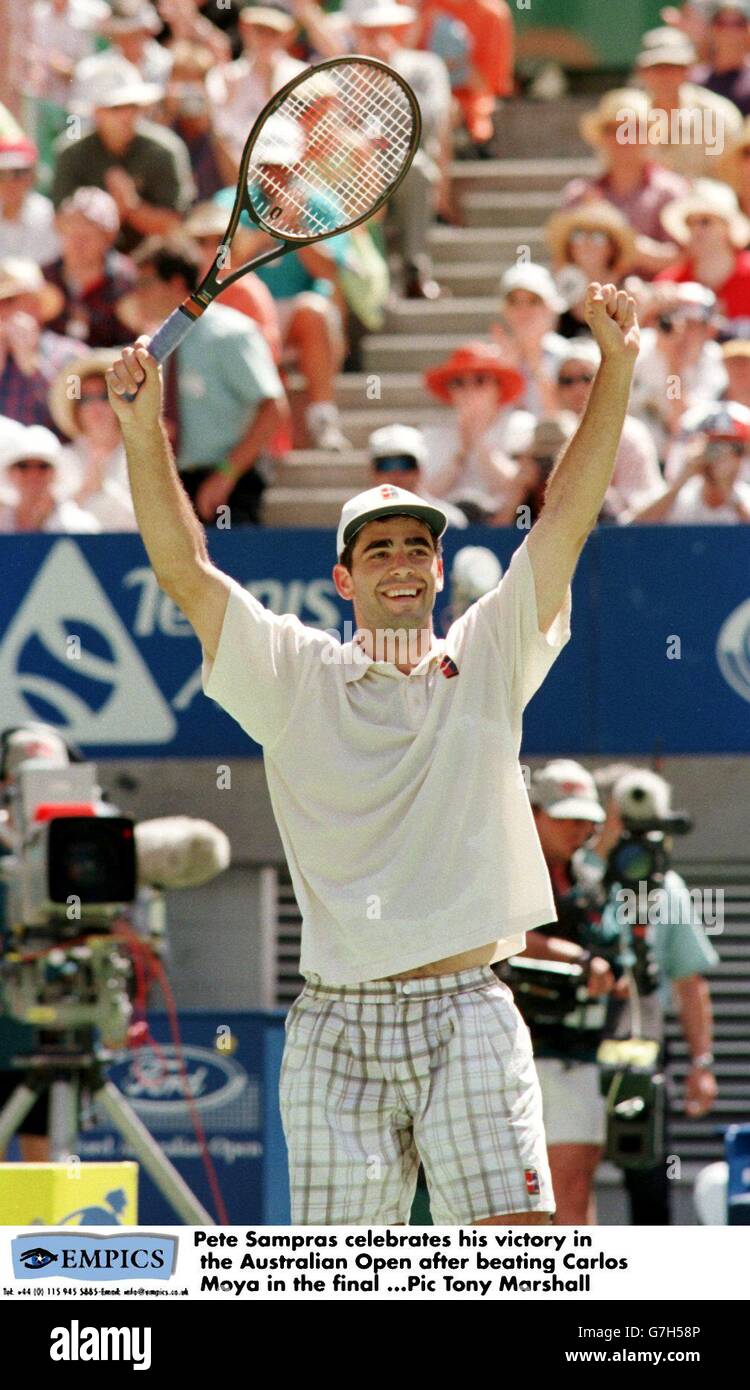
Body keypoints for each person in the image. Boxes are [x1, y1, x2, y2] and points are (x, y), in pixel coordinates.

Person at [106, 278, 643, 1225]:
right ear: (343, 577)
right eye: (380, 546)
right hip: (334, 1022)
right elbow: (184, 569)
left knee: (514, 1267)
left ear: (439, 569)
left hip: (470, 1007)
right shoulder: (293, 672)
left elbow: (566, 518)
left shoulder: (488, 652)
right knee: (340, 1287)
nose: (402, 557)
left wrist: (620, 364)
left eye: (417, 546)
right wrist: (143, 427)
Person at [590, 763, 719, 1226]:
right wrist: (600, 853)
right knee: (565, 1173)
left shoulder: (671, 889)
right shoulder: (578, 879)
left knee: (649, 1179)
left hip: (644, 1048)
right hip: (576, 1045)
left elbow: (689, 982)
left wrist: (700, 1065)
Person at [126, 233, 287, 523]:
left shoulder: (229, 333)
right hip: (177, 486)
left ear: (175, 283)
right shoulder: (154, 343)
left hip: (232, 486)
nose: (137, 293)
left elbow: (273, 409)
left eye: (145, 283)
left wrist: (226, 475)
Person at [51, 54, 195, 255]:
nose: (127, 116)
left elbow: (175, 226)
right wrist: (110, 213)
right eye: (116, 108)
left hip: (155, 265)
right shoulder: (71, 153)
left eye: (133, 106)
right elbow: (62, 223)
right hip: (91, 262)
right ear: (95, 111)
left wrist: (132, 206)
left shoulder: (165, 150)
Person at [563, 88, 690, 272]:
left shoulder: (671, 190)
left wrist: (629, 246)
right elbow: (562, 260)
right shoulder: (578, 193)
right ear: (602, 137)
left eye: (631, 129)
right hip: (594, 297)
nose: (622, 138)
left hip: (658, 295)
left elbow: (687, 257)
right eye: (612, 130)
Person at [555, 341, 664, 521]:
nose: (577, 388)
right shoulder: (555, 433)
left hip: (626, 538)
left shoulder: (629, 433)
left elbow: (640, 509)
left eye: (586, 378)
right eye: (567, 381)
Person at [420, 341, 529, 521]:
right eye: (458, 382)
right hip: (448, 528)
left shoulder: (521, 426)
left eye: (480, 380)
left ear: (498, 387)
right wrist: (461, 454)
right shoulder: (432, 434)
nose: (469, 390)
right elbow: (424, 495)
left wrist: (478, 441)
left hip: (506, 528)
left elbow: (513, 487)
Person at [629, 282, 727, 459]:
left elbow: (681, 425)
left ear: (709, 330)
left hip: (677, 459)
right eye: (677, 321)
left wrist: (673, 364)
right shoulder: (640, 347)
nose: (682, 331)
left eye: (692, 325)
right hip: (630, 454)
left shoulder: (714, 362)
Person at [634, 26, 742, 178]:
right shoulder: (629, 115)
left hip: (706, 200)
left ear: (688, 70)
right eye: (657, 68)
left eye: (674, 67)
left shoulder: (719, 114)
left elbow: (735, 177)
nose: (665, 75)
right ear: (642, 72)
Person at [205, 6, 306, 168]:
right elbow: (220, 133)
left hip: (287, 169)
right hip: (234, 169)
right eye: (259, 31)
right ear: (245, 30)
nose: (265, 39)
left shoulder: (302, 75)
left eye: (273, 33)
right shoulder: (223, 76)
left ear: (287, 36)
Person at [48, 349, 138, 529]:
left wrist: (103, 488)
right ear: (76, 409)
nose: (96, 407)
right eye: (86, 399)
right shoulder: (62, 458)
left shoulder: (141, 456)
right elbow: (53, 522)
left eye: (105, 397)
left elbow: (146, 521)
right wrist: (87, 488)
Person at [42, 187, 136, 348]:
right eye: (70, 233)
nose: (77, 244)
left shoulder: (125, 280)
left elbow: (132, 340)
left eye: (87, 237)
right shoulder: (46, 278)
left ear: (108, 237)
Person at [627, 398, 750, 519]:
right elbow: (628, 531)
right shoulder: (678, 498)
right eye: (713, 445)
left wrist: (728, 493)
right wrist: (682, 479)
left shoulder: (745, 499)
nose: (722, 454)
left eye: (735, 448)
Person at [418, 0, 514, 154]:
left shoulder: (493, 12)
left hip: (472, 115)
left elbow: (490, 86)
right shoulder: (418, 9)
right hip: (423, 110)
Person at [0, 257, 83, 433]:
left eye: (9, 301)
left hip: (54, 456)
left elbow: (77, 407)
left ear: (36, 305)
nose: (2, 311)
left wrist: (32, 365)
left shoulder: (72, 354)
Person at [656, 178, 750, 331]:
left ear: (728, 227)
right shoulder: (669, 282)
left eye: (705, 222)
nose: (696, 230)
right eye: (690, 223)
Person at [545, 202, 637, 338]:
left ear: (612, 247)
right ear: (570, 247)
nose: (587, 243)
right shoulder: (554, 290)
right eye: (578, 235)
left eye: (598, 237)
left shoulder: (630, 290)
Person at [159, 40, 236, 200]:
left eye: (195, 80)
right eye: (182, 80)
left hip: (212, 214)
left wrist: (212, 126)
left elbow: (236, 182)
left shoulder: (220, 121)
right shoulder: (157, 119)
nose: (189, 92)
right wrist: (167, 115)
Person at [490, 263, 568, 415]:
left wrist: (534, 361)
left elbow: (562, 420)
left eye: (533, 301)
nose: (523, 310)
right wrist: (506, 371)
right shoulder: (491, 358)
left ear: (549, 308)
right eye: (514, 302)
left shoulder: (568, 356)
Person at [0, 423, 101, 531]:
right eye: (23, 466)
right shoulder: (3, 524)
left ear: (56, 473)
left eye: (43, 466)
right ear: (10, 472)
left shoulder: (80, 527)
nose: (33, 474)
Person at [367, 422, 467, 528]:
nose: (396, 473)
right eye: (385, 465)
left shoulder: (449, 520)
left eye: (406, 463)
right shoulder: (356, 521)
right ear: (373, 471)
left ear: (420, 468)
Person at [0, 136, 60, 264]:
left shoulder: (49, 216)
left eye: (18, 173)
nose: (9, 182)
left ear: (32, 175)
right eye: (1, 174)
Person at [692, 0, 750, 117]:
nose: (730, 31)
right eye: (721, 24)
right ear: (710, 29)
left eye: (738, 24)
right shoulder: (694, 79)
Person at [100, 1, 174, 89]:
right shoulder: (96, 69)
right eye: (124, 36)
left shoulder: (167, 62)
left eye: (136, 35)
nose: (130, 42)